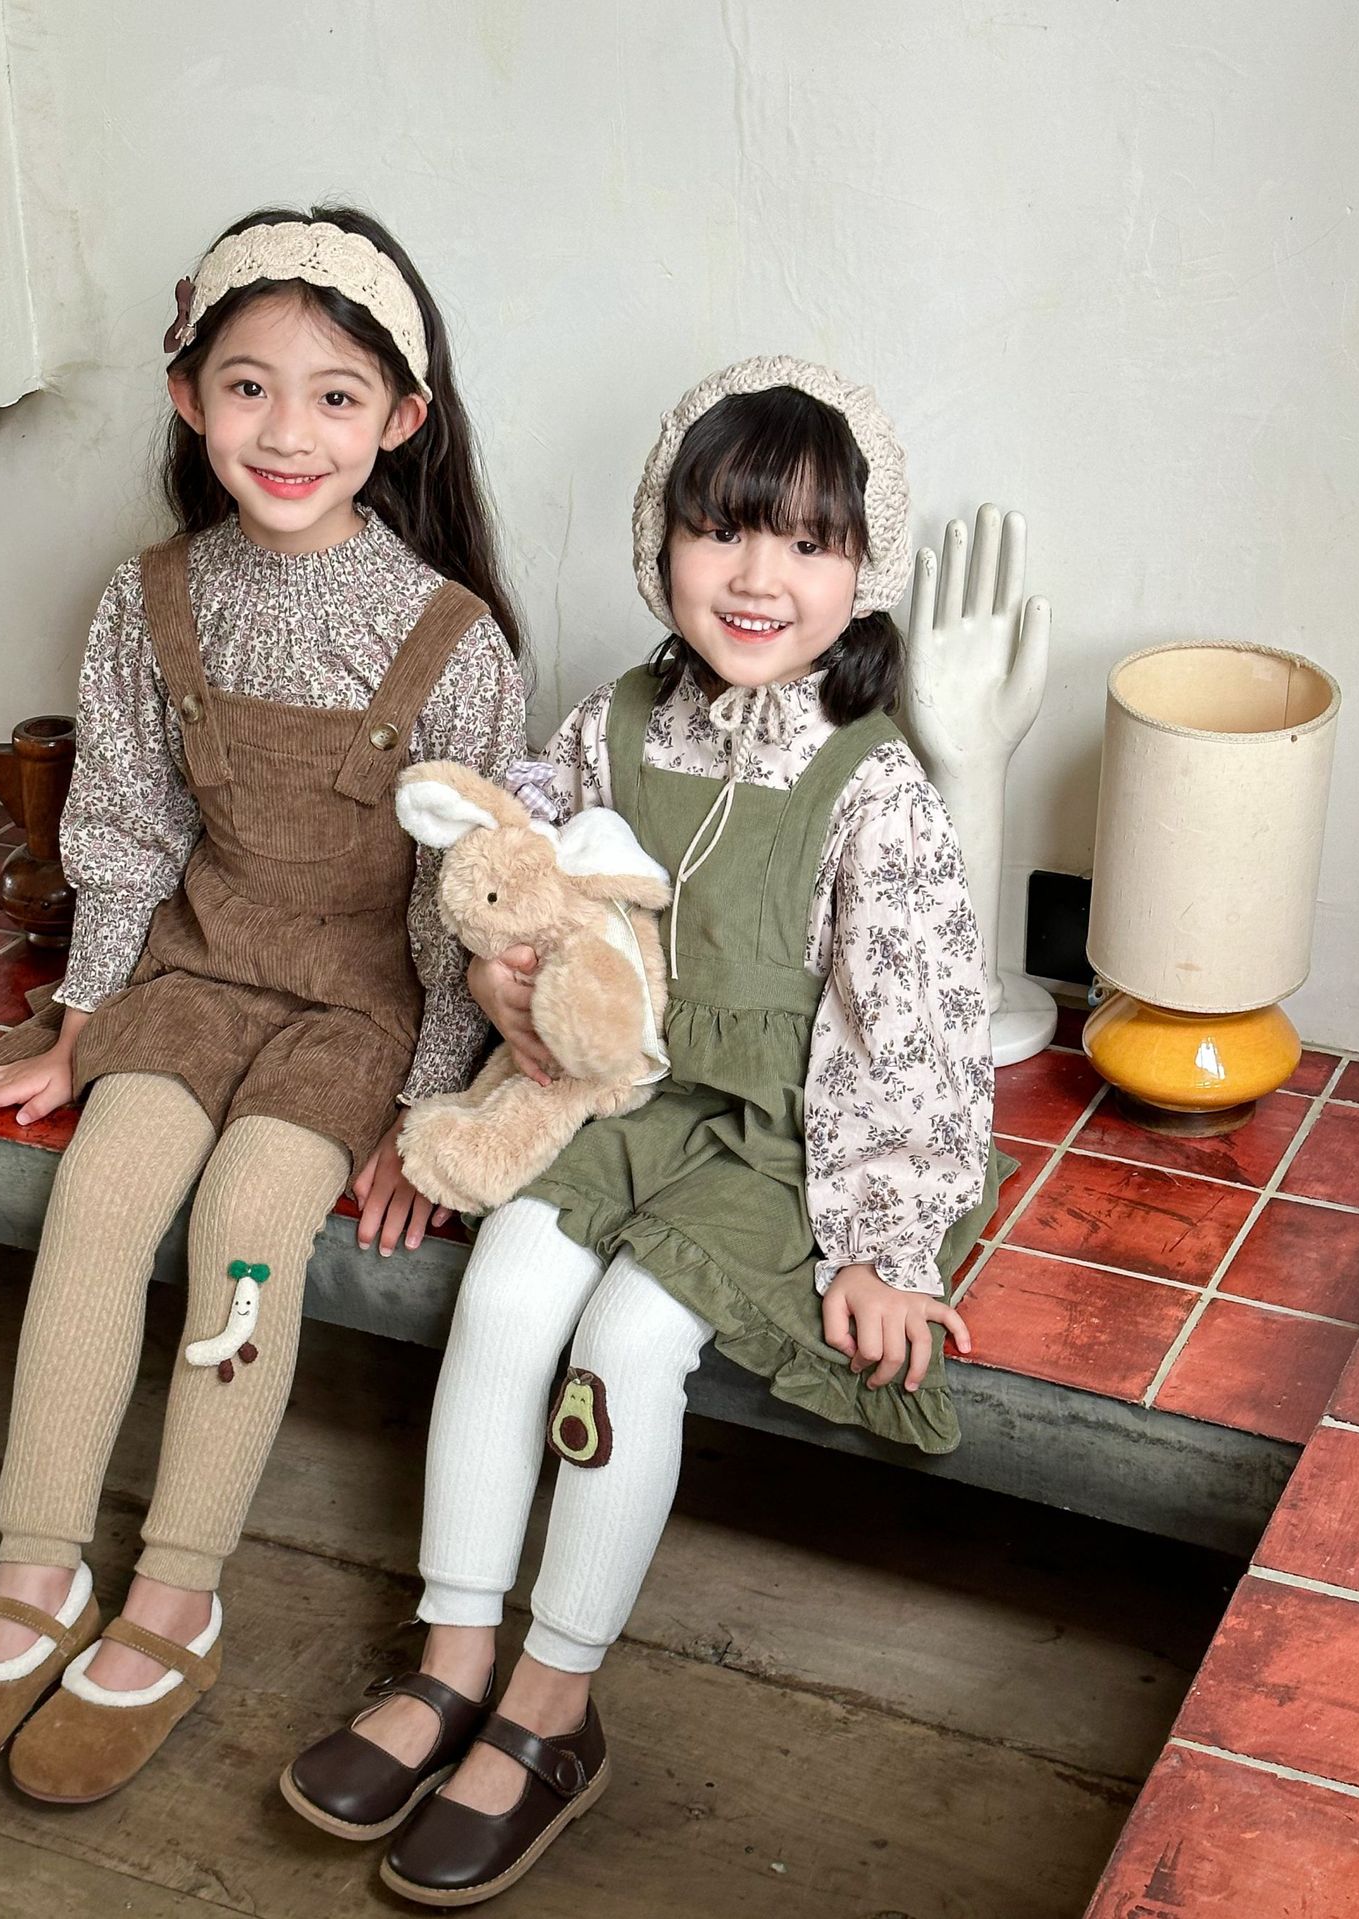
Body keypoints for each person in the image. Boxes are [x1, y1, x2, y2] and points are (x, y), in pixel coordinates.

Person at [284, 355, 1011, 1907]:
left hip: (782, 1136)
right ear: (659, 539)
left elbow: (917, 1027)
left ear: (862, 569)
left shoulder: (871, 783)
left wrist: (884, 1243)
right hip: (616, 1095)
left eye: (808, 543)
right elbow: (507, 886)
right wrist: (496, 987)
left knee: (621, 1344)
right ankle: (454, 1655)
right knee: (505, 1294)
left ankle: (553, 1703)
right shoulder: (613, 725)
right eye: (720, 529)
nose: (757, 577)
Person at [0, 205, 527, 1801]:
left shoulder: (452, 640)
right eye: (248, 386)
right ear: (187, 395)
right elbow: (126, 830)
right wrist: (84, 1018)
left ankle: (177, 1593)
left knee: (250, 1221)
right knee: (104, 1188)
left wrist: (431, 1108)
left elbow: (461, 905)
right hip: (195, 972)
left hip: (356, 1014)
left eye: (336, 396)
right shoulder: (152, 599)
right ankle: (36, 1568)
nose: (286, 431)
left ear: (401, 420)